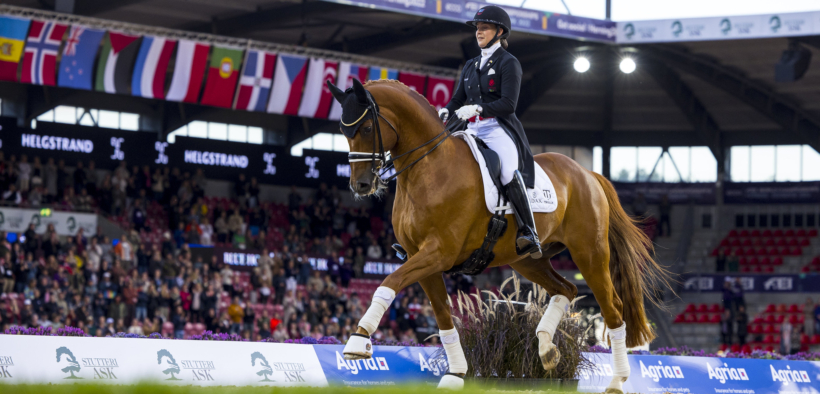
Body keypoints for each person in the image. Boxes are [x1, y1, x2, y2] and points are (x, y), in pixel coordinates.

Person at [438, 5, 540, 258]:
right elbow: (457, 100)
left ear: (500, 31)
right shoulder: (471, 65)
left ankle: (529, 231)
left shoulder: (509, 63)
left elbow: (509, 104)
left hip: (498, 129)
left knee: (507, 170)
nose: (479, 32)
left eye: (484, 27)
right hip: (470, 129)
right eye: (477, 28)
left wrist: (478, 109)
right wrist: (444, 111)